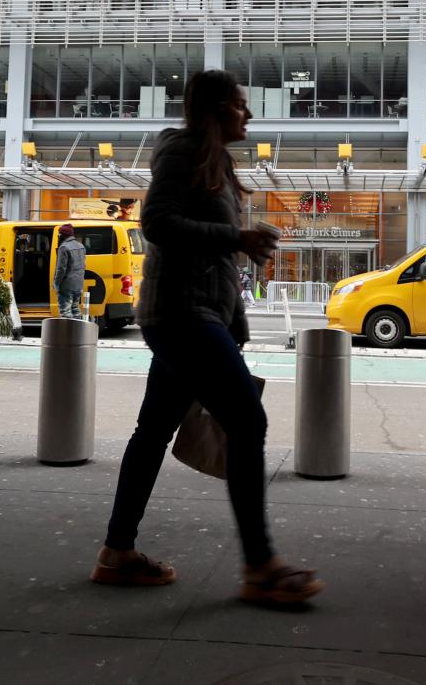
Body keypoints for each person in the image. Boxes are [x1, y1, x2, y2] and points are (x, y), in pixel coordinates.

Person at [93, 69, 324, 604]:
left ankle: (117, 552)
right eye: (241, 105)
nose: (248, 114)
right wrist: (235, 236)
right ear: (215, 110)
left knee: (152, 432)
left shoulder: (215, 160)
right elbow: (157, 222)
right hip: (179, 313)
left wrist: (234, 321)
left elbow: (216, 261)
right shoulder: (184, 152)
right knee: (247, 419)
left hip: (195, 314)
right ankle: (260, 566)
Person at [54, 224, 87, 320]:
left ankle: (67, 333)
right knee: (75, 309)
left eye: (59, 234)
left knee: (65, 312)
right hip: (78, 284)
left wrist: (56, 283)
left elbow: (61, 269)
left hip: (66, 285)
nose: (58, 236)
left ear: (63, 235)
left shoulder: (64, 247)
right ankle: (77, 332)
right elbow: (83, 266)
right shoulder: (81, 246)